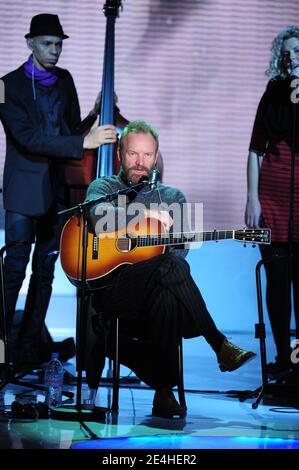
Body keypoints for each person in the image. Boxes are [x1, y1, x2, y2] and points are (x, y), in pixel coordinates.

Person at [85, 120, 256, 417]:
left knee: (168, 284)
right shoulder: (104, 187)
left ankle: (163, 394)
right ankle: (218, 343)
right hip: (113, 291)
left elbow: (179, 258)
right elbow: (97, 216)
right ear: (119, 155)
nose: (140, 162)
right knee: (167, 271)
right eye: (133, 154)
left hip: (154, 295)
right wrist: (141, 216)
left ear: (156, 156)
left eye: (147, 155)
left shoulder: (172, 198)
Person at [0, 13, 117, 368]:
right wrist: (84, 139)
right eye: (48, 44)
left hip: (57, 191)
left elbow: (69, 133)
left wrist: (93, 118)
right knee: (14, 271)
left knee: (46, 273)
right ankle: (3, 349)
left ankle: (29, 346)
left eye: (59, 44)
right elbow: (28, 138)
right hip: (23, 192)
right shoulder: (6, 84)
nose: (54, 51)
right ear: (30, 43)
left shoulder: (64, 80)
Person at [245, 26, 299, 380]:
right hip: (274, 200)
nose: (294, 58)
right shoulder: (273, 94)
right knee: (277, 281)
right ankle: (283, 359)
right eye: (289, 52)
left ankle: (298, 361)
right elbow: (255, 149)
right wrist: (252, 198)